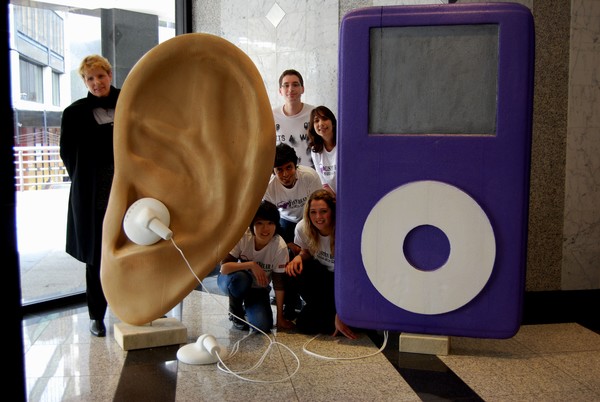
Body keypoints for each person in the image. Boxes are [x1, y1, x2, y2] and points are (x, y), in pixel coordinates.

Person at [60, 54, 120, 337]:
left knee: (135, 251)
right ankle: (97, 315)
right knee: (96, 257)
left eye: (101, 76)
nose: (97, 82)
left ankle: (138, 308)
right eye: (90, 78)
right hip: (95, 196)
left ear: (110, 74)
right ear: (84, 81)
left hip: (128, 194)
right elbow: (68, 155)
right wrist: (89, 181)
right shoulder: (74, 113)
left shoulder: (129, 100)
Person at [286, 189, 357, 339]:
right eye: (313, 212)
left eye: (323, 211)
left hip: (346, 282)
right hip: (323, 280)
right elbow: (306, 251)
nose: (318, 217)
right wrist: (299, 257)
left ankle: (338, 314)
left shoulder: (346, 229)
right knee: (304, 325)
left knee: (319, 323)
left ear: (333, 211)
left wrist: (342, 312)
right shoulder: (302, 228)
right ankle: (325, 311)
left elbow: (355, 274)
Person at [263, 143, 322, 319]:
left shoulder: (309, 177)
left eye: (289, 168)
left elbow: (318, 209)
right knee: (286, 255)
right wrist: (289, 242)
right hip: (285, 222)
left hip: (309, 219)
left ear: (295, 165)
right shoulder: (269, 188)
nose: (285, 174)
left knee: (311, 257)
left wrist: (305, 242)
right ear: (273, 171)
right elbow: (271, 220)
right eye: (279, 170)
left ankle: (311, 295)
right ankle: (290, 301)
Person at [217, 201, 294, 332]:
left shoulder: (280, 247)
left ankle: (250, 307)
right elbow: (223, 268)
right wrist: (251, 265)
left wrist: (280, 318)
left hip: (258, 288)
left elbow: (279, 284)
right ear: (252, 224)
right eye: (260, 223)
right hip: (233, 280)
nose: (266, 229)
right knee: (241, 278)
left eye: (270, 223)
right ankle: (236, 313)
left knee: (262, 326)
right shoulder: (243, 236)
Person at [273, 69, 315, 168]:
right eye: (286, 85)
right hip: (283, 177)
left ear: (302, 89)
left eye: (295, 85)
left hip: (311, 175)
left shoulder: (314, 114)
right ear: (280, 91)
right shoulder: (271, 116)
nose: (291, 89)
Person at [307, 106, 337, 197]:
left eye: (325, 119)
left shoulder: (343, 145)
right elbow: (323, 183)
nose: (321, 123)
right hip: (332, 197)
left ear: (333, 123)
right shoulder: (315, 150)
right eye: (316, 121)